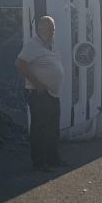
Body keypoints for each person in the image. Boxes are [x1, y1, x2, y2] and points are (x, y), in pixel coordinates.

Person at [16, 15, 66, 172]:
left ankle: (53, 160)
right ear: (39, 30)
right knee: (40, 129)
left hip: (52, 94)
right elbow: (20, 63)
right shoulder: (33, 44)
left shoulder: (50, 45)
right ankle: (39, 163)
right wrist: (37, 84)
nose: (52, 32)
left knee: (53, 128)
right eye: (49, 29)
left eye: (53, 29)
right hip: (38, 94)